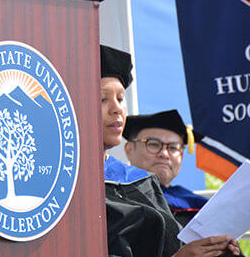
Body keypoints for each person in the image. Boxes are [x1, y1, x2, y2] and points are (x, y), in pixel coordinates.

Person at [100, 45, 240, 257]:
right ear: (129, 149)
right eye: (103, 99)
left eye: (120, 98)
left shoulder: (142, 184)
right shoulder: (65, 187)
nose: (117, 108)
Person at [124, 109, 208, 225]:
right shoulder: (113, 197)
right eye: (153, 144)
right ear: (129, 150)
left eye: (173, 148)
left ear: (181, 157)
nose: (164, 154)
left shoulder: (200, 208)